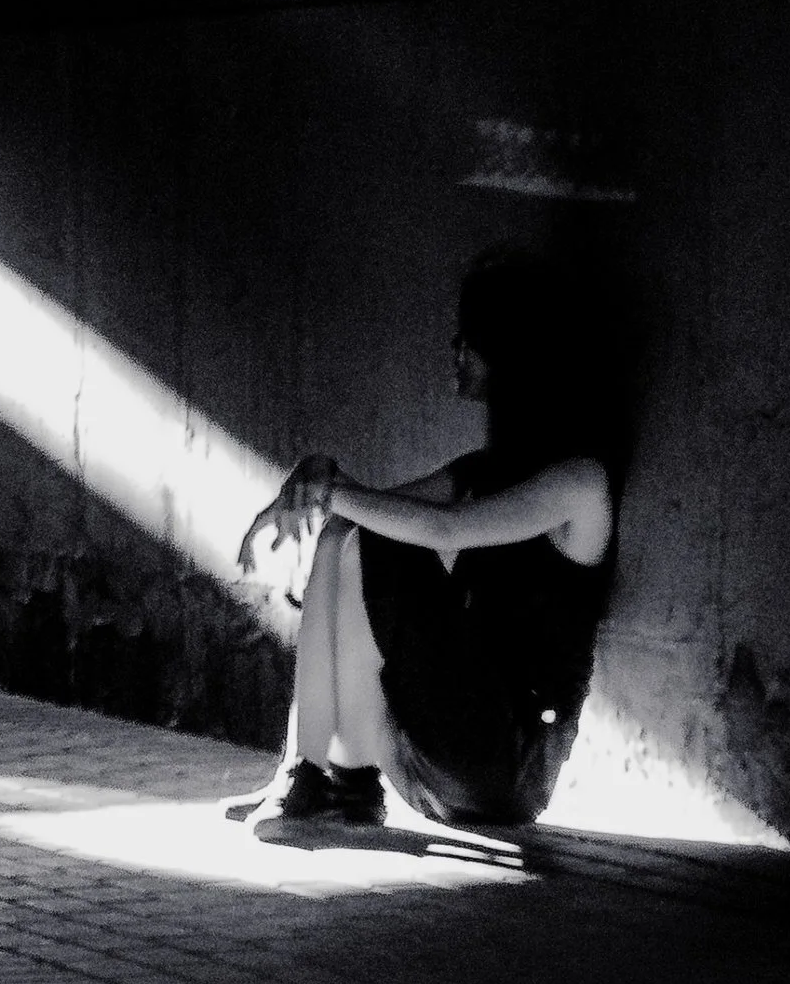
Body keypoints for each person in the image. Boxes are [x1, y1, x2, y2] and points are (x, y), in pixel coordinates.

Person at [233, 255, 617, 832]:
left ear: (515, 351)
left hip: (506, 770)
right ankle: (313, 774)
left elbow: (446, 529)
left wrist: (327, 492)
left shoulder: (581, 484)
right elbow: (366, 507)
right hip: (435, 756)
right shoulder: (485, 469)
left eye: (471, 339)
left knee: (371, 541)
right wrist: (314, 478)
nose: (455, 351)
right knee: (345, 533)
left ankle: (336, 780)